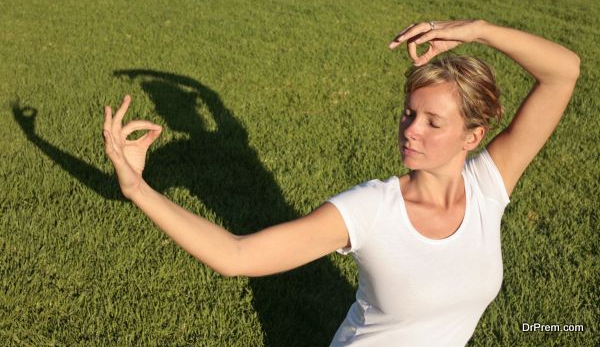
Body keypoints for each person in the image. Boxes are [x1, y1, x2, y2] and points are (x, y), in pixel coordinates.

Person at [102, 19, 580, 346]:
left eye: (433, 122)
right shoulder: (372, 210)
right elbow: (237, 256)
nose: (410, 130)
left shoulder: (488, 187)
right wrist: (137, 190)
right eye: (409, 113)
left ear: (473, 136)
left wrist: (474, 31)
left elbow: (563, 73)